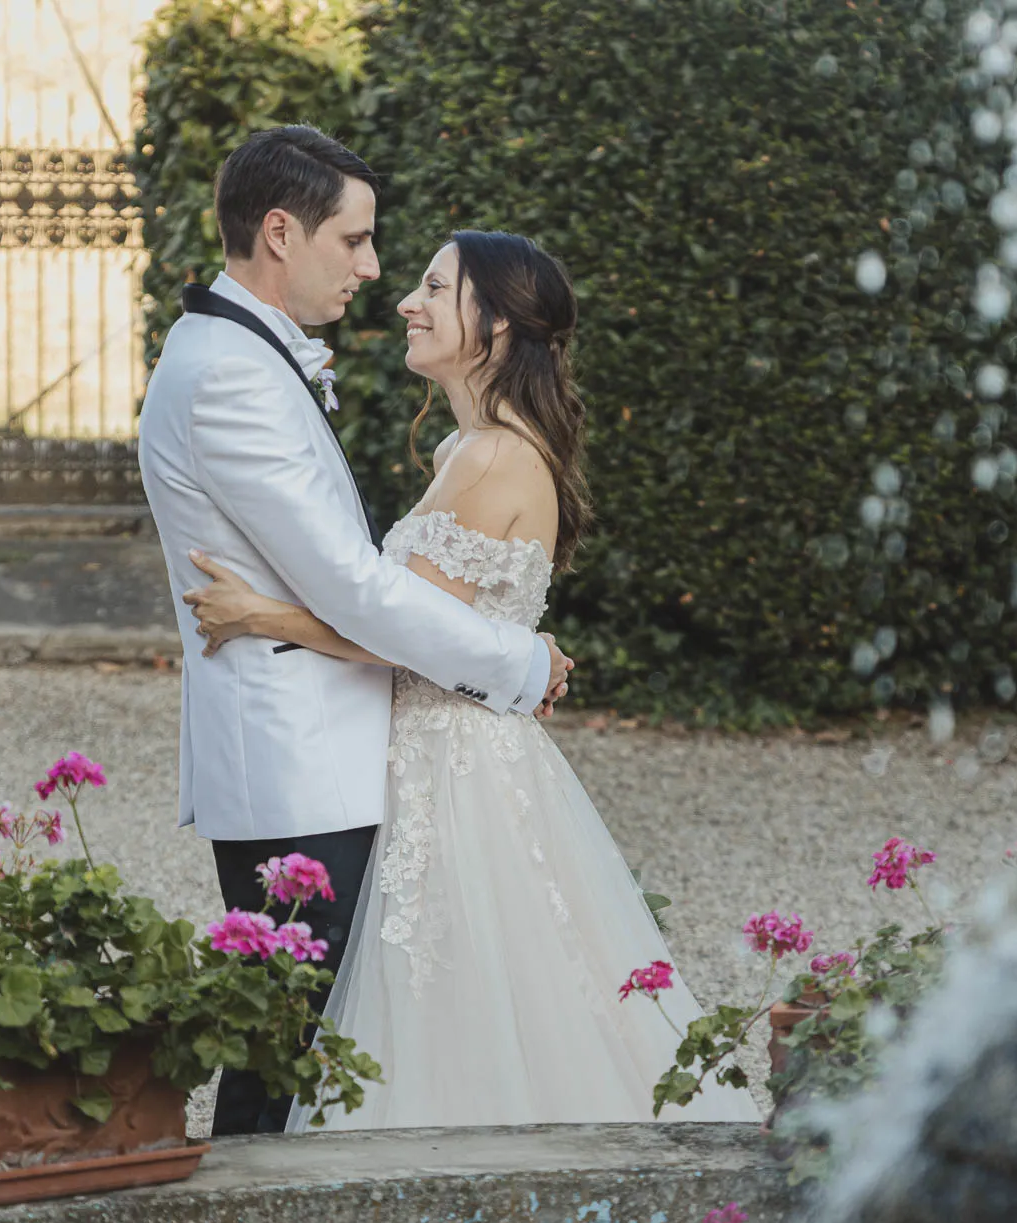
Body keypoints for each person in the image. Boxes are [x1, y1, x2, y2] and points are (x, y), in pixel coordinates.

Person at [184, 230, 759, 1128]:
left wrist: (259, 615)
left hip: (454, 765)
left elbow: (401, 634)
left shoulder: (491, 457)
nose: (405, 302)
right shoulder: (471, 447)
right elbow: (429, 617)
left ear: (494, 325)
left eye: (434, 288)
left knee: (453, 993)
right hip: (442, 743)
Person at [137, 126, 573, 1137]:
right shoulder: (233, 372)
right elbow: (357, 590)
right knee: (285, 1057)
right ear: (280, 233)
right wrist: (521, 661)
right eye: (355, 239)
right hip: (300, 765)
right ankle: (251, 1219)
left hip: (332, 755)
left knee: (305, 1052)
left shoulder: (238, 355)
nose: (375, 270)